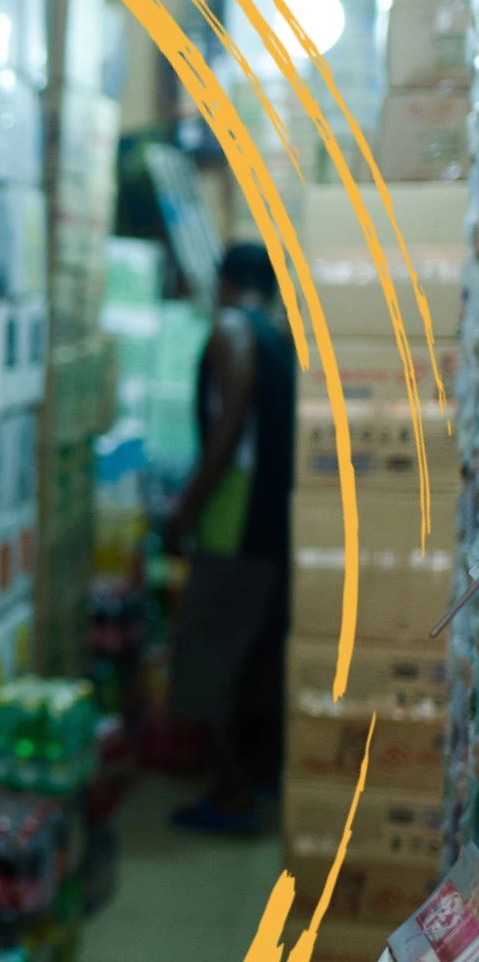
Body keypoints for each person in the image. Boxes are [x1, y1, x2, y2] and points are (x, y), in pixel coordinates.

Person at [161, 243, 295, 835]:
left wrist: (187, 508)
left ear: (223, 280)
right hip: (269, 519)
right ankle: (257, 775)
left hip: (234, 517)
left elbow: (229, 421)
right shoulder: (275, 334)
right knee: (252, 657)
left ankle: (233, 793)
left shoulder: (234, 332)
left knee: (207, 656)